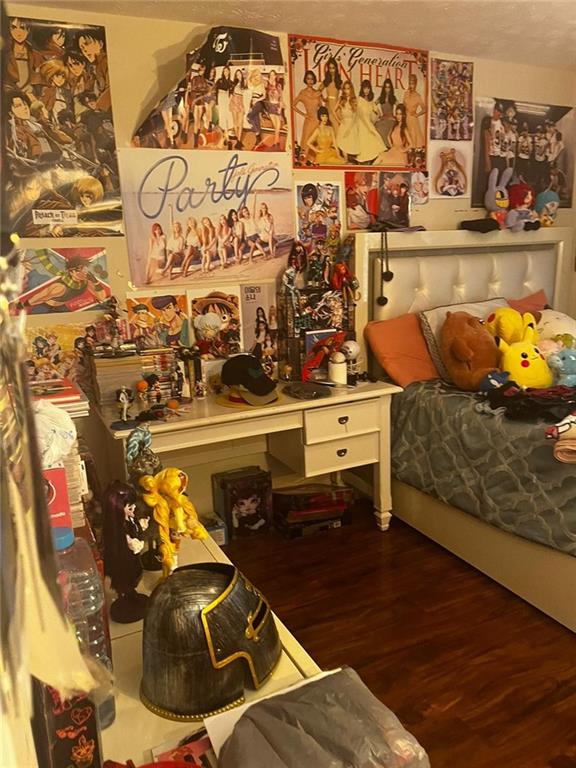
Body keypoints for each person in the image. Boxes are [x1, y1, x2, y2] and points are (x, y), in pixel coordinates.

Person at [292, 69, 323, 162]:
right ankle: (305, 160)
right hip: (309, 120)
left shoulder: (317, 93)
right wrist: (304, 114)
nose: (310, 81)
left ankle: (315, 160)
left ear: (314, 80)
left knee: (316, 140)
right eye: (308, 79)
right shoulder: (303, 93)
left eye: (312, 79)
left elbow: (321, 107)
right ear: (305, 80)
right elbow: (293, 105)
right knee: (307, 140)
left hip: (317, 121)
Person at [356, 79, 386, 164]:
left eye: (368, 88)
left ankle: (372, 160)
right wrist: (367, 126)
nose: (366, 90)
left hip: (369, 123)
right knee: (367, 137)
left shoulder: (371, 102)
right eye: (365, 88)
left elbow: (377, 115)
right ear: (362, 89)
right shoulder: (359, 100)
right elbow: (359, 115)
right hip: (362, 125)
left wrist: (376, 112)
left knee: (376, 139)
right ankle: (365, 160)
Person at [336, 81, 360, 163]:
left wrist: (349, 129)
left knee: (351, 143)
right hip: (344, 123)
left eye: (348, 89)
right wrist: (339, 120)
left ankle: (353, 161)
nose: (346, 91)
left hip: (352, 124)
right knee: (342, 143)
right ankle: (346, 160)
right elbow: (333, 110)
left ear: (351, 89)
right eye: (345, 89)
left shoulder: (354, 100)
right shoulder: (341, 99)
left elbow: (355, 116)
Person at [162, 207, 186, 279]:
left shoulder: (181, 238)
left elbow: (180, 250)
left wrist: (173, 252)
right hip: (172, 256)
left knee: (171, 256)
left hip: (179, 256)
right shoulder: (172, 236)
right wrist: (171, 210)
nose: (176, 228)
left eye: (177, 227)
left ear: (179, 228)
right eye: (175, 227)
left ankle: (165, 270)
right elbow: (170, 221)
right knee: (171, 257)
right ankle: (169, 275)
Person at [403, 74, 425, 148]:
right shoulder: (406, 93)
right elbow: (403, 105)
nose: (411, 85)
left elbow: (424, 109)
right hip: (405, 118)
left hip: (413, 120)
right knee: (406, 137)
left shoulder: (418, 96)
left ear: (415, 84)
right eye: (410, 83)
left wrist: (417, 114)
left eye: (412, 83)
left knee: (413, 139)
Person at [320, 56, 342, 131]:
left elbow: (345, 93)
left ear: (336, 68)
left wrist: (340, 100)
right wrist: (323, 99)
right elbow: (318, 91)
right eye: (330, 68)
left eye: (333, 68)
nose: (331, 70)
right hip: (328, 106)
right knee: (329, 127)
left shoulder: (339, 81)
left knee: (337, 127)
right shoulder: (326, 81)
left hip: (336, 106)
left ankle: (339, 142)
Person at [214, 65, 233, 148]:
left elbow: (231, 93)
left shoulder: (230, 82)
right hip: (220, 99)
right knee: (222, 117)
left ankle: (227, 139)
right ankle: (227, 139)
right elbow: (216, 91)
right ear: (223, 72)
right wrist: (216, 102)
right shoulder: (219, 80)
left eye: (227, 70)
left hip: (227, 99)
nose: (226, 72)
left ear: (229, 72)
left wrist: (229, 101)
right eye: (225, 70)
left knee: (227, 117)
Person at [264, 69, 284, 149]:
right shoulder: (267, 85)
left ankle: (276, 143)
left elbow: (281, 98)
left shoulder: (278, 85)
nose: (272, 76)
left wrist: (280, 108)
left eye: (273, 75)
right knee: (275, 126)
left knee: (278, 126)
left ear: (275, 76)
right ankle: (277, 143)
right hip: (270, 106)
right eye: (271, 75)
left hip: (277, 106)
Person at [229, 68, 247, 149]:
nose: (238, 75)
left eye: (239, 74)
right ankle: (238, 141)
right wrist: (229, 103)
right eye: (237, 74)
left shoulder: (244, 83)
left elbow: (244, 94)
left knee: (241, 123)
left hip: (240, 101)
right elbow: (231, 94)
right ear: (236, 76)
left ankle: (239, 141)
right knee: (235, 123)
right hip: (234, 101)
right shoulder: (234, 83)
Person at [375, 77, 397, 148]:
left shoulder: (393, 98)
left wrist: (395, 116)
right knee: (377, 128)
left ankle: (387, 148)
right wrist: (378, 114)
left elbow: (400, 107)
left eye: (389, 87)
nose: (387, 89)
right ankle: (381, 148)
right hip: (383, 118)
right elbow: (372, 105)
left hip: (391, 119)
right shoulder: (381, 98)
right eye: (386, 87)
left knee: (385, 130)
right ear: (384, 88)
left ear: (391, 88)